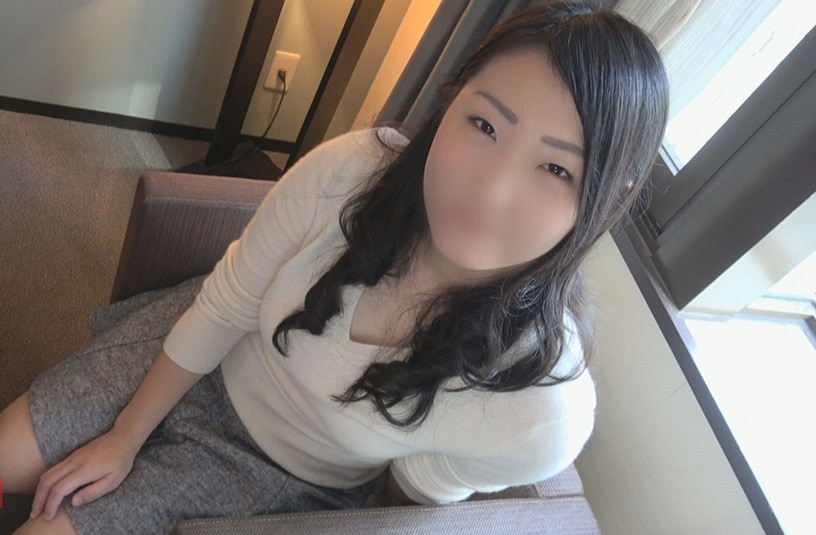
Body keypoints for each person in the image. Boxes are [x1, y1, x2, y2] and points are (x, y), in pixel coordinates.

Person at [0, 2, 668, 533]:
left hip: (272, 475)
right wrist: (125, 434)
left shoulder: (540, 411)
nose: (490, 191)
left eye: (555, 168)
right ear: (452, 102)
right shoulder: (352, 172)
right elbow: (227, 302)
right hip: (203, 351)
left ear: (608, 195)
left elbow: (416, 488)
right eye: (485, 126)